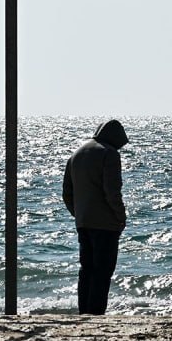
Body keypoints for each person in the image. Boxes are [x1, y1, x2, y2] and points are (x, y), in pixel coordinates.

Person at [63, 119, 129, 315]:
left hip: (83, 221)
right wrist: (120, 216)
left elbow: (67, 192)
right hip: (106, 224)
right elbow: (112, 191)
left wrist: (78, 214)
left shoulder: (77, 153)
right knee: (103, 271)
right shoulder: (109, 154)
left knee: (87, 270)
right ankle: (96, 312)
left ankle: (84, 311)